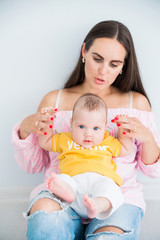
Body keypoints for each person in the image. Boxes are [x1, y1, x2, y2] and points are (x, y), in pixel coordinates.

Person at [11, 20, 160, 240]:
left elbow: (152, 172)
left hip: (116, 195)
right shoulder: (54, 100)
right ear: (84, 51)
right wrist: (25, 130)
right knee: (45, 221)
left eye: (114, 64)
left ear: (123, 66)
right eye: (97, 59)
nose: (102, 71)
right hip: (64, 190)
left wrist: (147, 138)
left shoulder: (135, 104)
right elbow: (33, 165)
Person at [38, 93, 133, 220]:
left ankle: (99, 204)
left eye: (95, 128)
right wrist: (47, 122)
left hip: (101, 179)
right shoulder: (66, 139)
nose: (88, 134)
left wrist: (123, 130)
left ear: (104, 127)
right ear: (72, 124)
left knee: (112, 189)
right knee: (62, 179)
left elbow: (126, 149)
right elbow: (45, 142)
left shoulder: (108, 141)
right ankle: (67, 193)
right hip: (73, 181)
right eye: (81, 127)